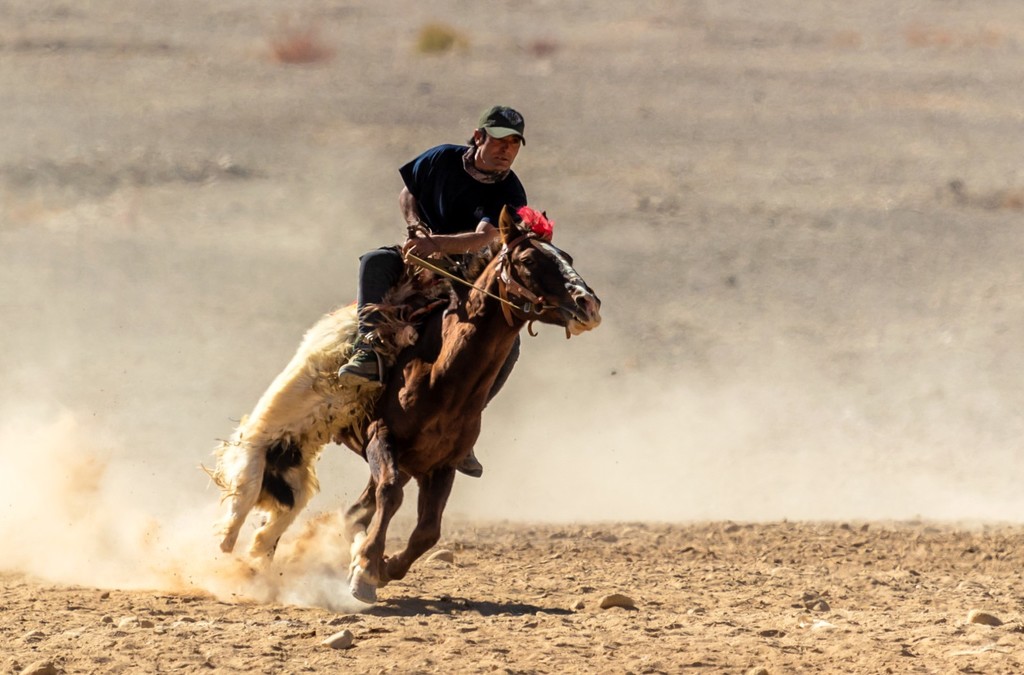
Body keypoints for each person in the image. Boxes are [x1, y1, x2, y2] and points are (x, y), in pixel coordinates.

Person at [337, 105, 530, 477]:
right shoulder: (441, 159)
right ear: (478, 137)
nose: (506, 149)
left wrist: (437, 244)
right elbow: (408, 193)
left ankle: (465, 424)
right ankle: (367, 350)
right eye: (498, 140)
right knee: (375, 261)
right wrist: (415, 227)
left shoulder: (510, 190)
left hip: (467, 276)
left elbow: (484, 237)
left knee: (510, 345)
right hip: (419, 254)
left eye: (513, 143)